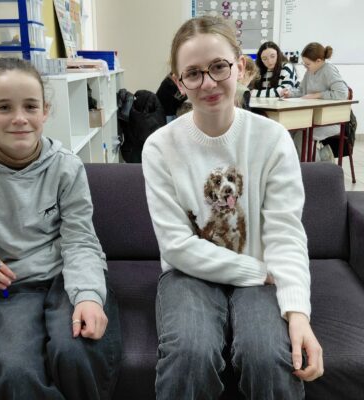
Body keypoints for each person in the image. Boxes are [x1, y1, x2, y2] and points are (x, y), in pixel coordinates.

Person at [142, 16, 323, 399]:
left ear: (240, 67)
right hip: (193, 274)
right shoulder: (159, 147)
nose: (208, 82)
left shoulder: (273, 139)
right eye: (193, 73)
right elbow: (176, 246)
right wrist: (255, 271)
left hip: (262, 278)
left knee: (269, 356)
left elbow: (286, 233)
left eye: (219, 67)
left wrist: (298, 313)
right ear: (178, 83)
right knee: (189, 353)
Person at [0, 58, 121, 399]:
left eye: (30, 106)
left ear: (45, 111)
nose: (19, 118)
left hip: (65, 277)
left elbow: (80, 239)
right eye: (4, 107)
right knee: (16, 371)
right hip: (9, 286)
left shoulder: (67, 168)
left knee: (76, 350)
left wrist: (89, 296)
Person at [283, 42, 349, 161]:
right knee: (289, 131)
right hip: (313, 119)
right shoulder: (310, 71)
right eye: (304, 63)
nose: (305, 66)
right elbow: (302, 91)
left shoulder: (328, 70)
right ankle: (310, 163)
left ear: (319, 61)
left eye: (307, 64)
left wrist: (317, 95)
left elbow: (342, 93)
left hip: (332, 121)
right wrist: (290, 93)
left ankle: (315, 168)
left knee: (302, 135)